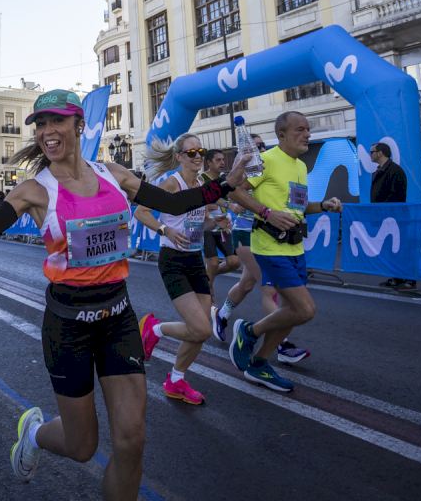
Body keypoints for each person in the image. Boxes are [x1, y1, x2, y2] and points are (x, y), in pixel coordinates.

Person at [0, 89, 246, 498]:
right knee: (81, 446)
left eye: (56, 120)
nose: (47, 131)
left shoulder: (114, 175)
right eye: (40, 124)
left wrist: (224, 185)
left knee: (132, 440)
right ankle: (34, 434)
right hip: (68, 328)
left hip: (118, 319)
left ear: (79, 124)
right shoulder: (34, 191)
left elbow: (172, 203)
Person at [226, 111, 343, 393]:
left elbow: (298, 207)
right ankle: (249, 331)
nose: (307, 134)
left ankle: (259, 364)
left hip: (295, 247)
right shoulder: (265, 161)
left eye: (308, 129)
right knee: (305, 309)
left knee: (292, 311)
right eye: (300, 129)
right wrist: (267, 213)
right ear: (281, 135)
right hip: (269, 247)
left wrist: (323, 205)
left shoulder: (300, 166)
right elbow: (233, 191)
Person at [132, 134, 219, 406]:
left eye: (200, 151)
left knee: (200, 331)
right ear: (180, 157)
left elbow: (201, 223)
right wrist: (164, 229)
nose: (197, 157)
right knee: (201, 329)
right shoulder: (172, 183)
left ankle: (176, 379)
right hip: (173, 261)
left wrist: (216, 223)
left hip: (195, 259)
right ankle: (155, 329)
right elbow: (141, 212)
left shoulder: (202, 184)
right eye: (191, 153)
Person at [370, 142, 412, 290]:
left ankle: (409, 279)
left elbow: (397, 195)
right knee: (391, 247)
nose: (370, 155)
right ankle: (396, 277)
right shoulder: (379, 171)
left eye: (372, 152)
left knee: (402, 247)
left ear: (380, 153)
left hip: (396, 217)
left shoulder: (395, 171)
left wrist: (382, 210)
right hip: (384, 217)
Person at [199, 149, 239, 289]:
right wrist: (213, 206)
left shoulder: (223, 179)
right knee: (213, 262)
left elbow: (231, 197)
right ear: (209, 162)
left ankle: (208, 276)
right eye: (218, 160)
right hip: (208, 226)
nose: (222, 162)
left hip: (223, 225)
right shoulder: (201, 179)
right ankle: (209, 293)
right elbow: (201, 202)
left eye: (223, 159)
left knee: (234, 262)